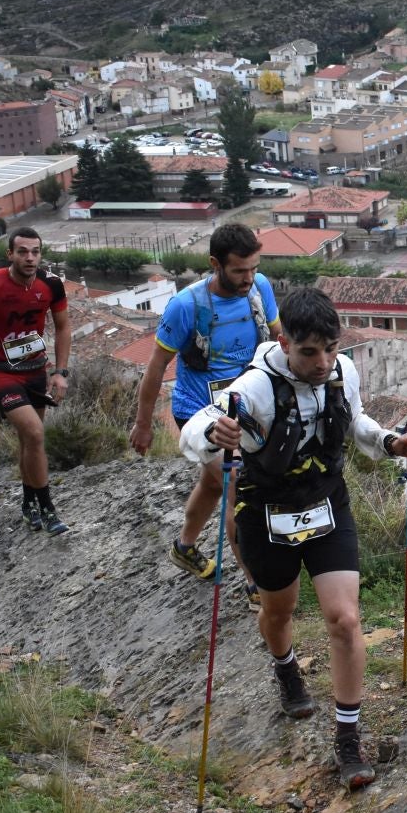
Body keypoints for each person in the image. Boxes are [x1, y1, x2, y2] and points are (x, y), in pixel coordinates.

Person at [178, 287, 407, 789]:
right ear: (285, 341)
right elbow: (198, 429)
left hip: (327, 501)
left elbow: (353, 419)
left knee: (345, 618)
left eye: (330, 349)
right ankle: (286, 668)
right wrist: (213, 436)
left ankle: (348, 739)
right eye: (310, 352)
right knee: (279, 612)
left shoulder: (343, 371)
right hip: (266, 512)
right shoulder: (255, 387)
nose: (322, 362)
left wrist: (389, 441)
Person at [132, 222, 280, 585]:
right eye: (239, 270)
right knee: (238, 490)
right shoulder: (186, 306)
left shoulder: (260, 290)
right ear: (215, 264)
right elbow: (154, 369)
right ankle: (254, 583)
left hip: (245, 408)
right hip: (199, 411)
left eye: (253, 268)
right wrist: (144, 423)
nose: (248, 278)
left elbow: (279, 340)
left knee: (214, 484)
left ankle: (183, 547)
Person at [0, 227, 72, 534]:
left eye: (35, 251)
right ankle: (47, 509)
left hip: (35, 370)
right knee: (34, 434)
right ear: (10, 254)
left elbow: (62, 328)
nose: (30, 257)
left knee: (27, 441)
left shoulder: (51, 285)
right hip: (0, 370)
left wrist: (60, 372)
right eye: (22, 251)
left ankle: (28, 503)